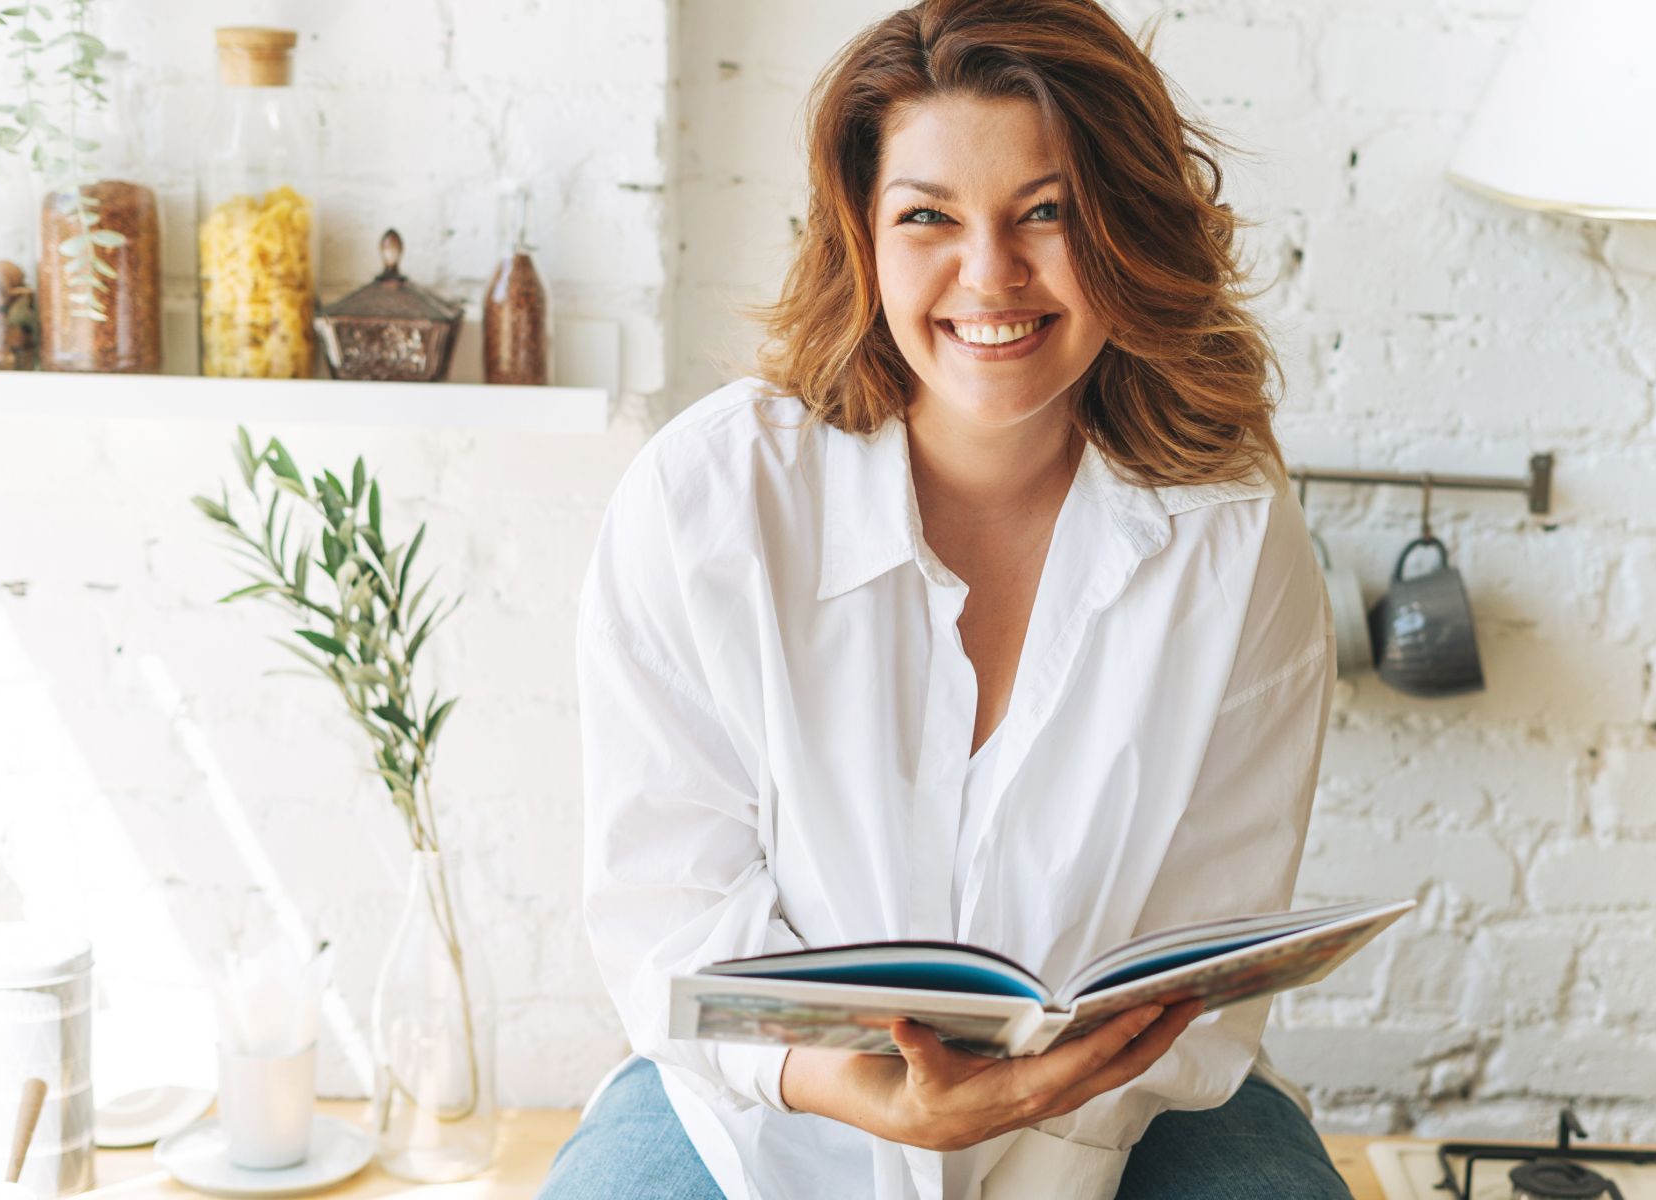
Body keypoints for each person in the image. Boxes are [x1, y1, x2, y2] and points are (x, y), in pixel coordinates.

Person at [548, 1, 1341, 1196]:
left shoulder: (1231, 532)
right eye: (927, 216)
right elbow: (671, 913)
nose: (991, 275)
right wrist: (868, 1091)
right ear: (861, 237)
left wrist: (1030, 1098)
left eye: (1046, 212)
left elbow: (1205, 941)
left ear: (1125, 224)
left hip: (1120, 1103)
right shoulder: (706, 500)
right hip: (761, 1102)